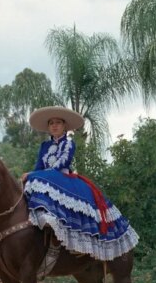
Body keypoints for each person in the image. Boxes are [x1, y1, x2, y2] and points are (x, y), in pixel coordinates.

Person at [21, 106, 139, 261]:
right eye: (51, 123)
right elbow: (39, 166)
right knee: (29, 181)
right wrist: (31, 176)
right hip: (45, 179)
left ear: (64, 126)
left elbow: (62, 163)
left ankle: (68, 236)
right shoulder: (44, 146)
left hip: (62, 178)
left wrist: (35, 175)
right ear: (48, 128)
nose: (54, 125)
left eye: (58, 122)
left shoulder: (69, 143)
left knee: (37, 179)